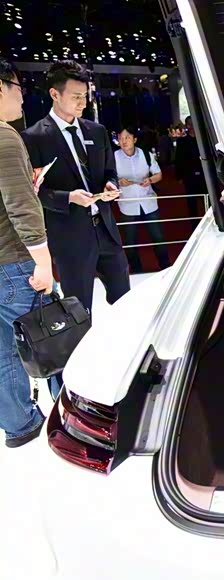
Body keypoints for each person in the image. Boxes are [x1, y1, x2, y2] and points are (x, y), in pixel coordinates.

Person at [21, 60, 129, 313]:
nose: (83, 102)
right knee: (79, 309)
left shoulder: (97, 131)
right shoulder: (34, 138)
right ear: (55, 94)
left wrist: (110, 185)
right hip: (69, 236)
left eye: (85, 95)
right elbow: (33, 192)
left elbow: (109, 171)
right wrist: (68, 197)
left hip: (106, 229)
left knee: (125, 301)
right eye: (76, 96)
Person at [0, 57, 54, 447]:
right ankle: (86, 420)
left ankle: (20, 424)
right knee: (59, 337)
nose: (22, 98)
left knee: (3, 351)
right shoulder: (4, 136)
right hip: (15, 263)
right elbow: (21, 209)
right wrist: (44, 264)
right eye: (18, 88)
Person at [115, 125, 170, 273]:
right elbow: (109, 178)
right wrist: (119, 182)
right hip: (127, 204)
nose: (123, 141)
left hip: (148, 201)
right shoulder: (114, 157)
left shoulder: (145, 155)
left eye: (127, 137)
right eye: (120, 138)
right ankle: (136, 269)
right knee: (130, 240)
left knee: (158, 236)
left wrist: (150, 180)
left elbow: (158, 174)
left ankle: (165, 266)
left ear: (134, 139)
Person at [174, 115, 206, 218]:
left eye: (193, 123)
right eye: (189, 124)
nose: (191, 126)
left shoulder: (204, 140)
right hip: (189, 175)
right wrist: (179, 176)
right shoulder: (181, 141)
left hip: (204, 175)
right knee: (192, 202)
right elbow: (178, 159)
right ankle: (194, 222)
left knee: (208, 200)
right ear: (186, 125)